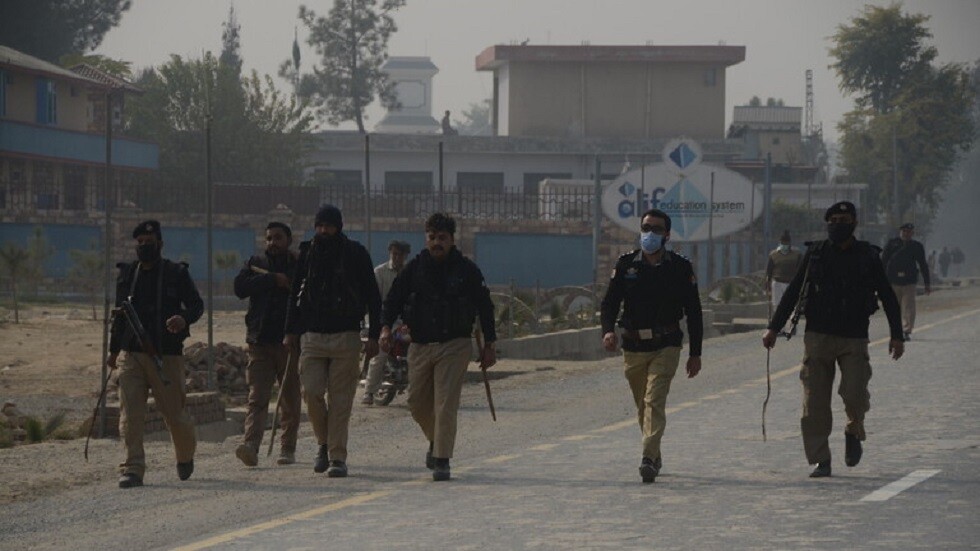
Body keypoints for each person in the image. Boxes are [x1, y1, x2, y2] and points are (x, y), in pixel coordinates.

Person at [763, 201, 904, 479]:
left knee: (855, 394)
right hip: (818, 336)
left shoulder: (867, 255)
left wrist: (897, 335)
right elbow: (793, 291)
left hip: (854, 337)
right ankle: (821, 459)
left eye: (844, 220)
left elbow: (887, 295)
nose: (838, 224)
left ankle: (853, 430)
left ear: (854, 224)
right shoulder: (816, 253)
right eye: (834, 220)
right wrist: (773, 328)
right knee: (814, 402)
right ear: (827, 223)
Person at [379, 213, 496, 481]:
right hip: (420, 345)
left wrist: (489, 343)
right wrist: (385, 327)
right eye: (432, 238)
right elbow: (393, 301)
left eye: (442, 238)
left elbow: (485, 306)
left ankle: (442, 459)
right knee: (416, 403)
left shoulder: (466, 270)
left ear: (452, 240)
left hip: (454, 345)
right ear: (426, 239)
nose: (436, 243)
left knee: (445, 403)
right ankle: (435, 440)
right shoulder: (414, 269)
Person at [600, 208, 703, 484]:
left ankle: (647, 458)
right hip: (633, 346)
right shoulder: (626, 265)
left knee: (653, 400)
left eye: (656, 229)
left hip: (666, 344)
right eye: (646, 228)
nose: (650, 234)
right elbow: (610, 303)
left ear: (667, 235)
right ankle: (655, 453)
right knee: (642, 405)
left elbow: (694, 312)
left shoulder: (679, 268)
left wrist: (695, 353)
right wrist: (608, 331)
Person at [284, 205, 381, 478]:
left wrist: (374, 335)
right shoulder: (308, 253)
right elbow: (294, 293)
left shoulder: (356, 253)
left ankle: (337, 457)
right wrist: (290, 331)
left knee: (340, 400)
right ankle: (323, 443)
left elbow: (373, 296)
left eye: (327, 225)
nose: (323, 230)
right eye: (319, 226)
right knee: (311, 392)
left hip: (346, 336)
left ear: (338, 227)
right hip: (312, 336)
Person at [108, 220, 203, 489]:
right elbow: (119, 316)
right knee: (130, 415)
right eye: (140, 243)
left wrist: (183, 319)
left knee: (175, 415)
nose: (144, 247)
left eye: (149, 242)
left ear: (160, 244)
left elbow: (196, 305)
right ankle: (132, 468)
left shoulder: (176, 273)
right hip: (132, 355)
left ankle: (185, 456)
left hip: (166, 355)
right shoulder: (128, 274)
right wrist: (113, 351)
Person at [232, 222, 301, 466]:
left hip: (288, 343)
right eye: (269, 238)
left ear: (288, 240)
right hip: (259, 342)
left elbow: (304, 295)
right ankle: (251, 445)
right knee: (257, 397)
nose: (273, 243)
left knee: (290, 399)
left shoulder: (298, 265)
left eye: (278, 238)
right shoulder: (255, 264)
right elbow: (240, 288)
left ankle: (287, 448)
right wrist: (271, 279)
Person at [362, 240, 411, 405]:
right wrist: (383, 323)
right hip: (383, 319)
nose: (397, 257)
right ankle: (369, 391)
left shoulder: (410, 272)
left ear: (405, 256)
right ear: (390, 253)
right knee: (381, 352)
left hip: (404, 322)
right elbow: (375, 300)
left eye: (400, 255)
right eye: (394, 254)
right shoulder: (380, 272)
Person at [881, 223, 930, 340]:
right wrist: (881, 281)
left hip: (909, 282)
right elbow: (883, 262)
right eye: (904, 231)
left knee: (908, 307)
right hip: (893, 281)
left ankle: (906, 330)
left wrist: (927, 283)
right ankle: (896, 330)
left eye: (908, 232)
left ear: (912, 233)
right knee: (894, 307)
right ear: (900, 232)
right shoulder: (892, 244)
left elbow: (923, 264)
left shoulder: (916, 246)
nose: (906, 234)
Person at [765, 230, 803, 312]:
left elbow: (801, 269)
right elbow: (769, 271)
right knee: (777, 305)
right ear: (780, 242)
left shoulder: (797, 254)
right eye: (783, 243)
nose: (784, 245)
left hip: (791, 283)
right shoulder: (773, 254)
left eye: (786, 243)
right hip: (777, 283)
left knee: (792, 305)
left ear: (789, 243)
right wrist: (768, 286)